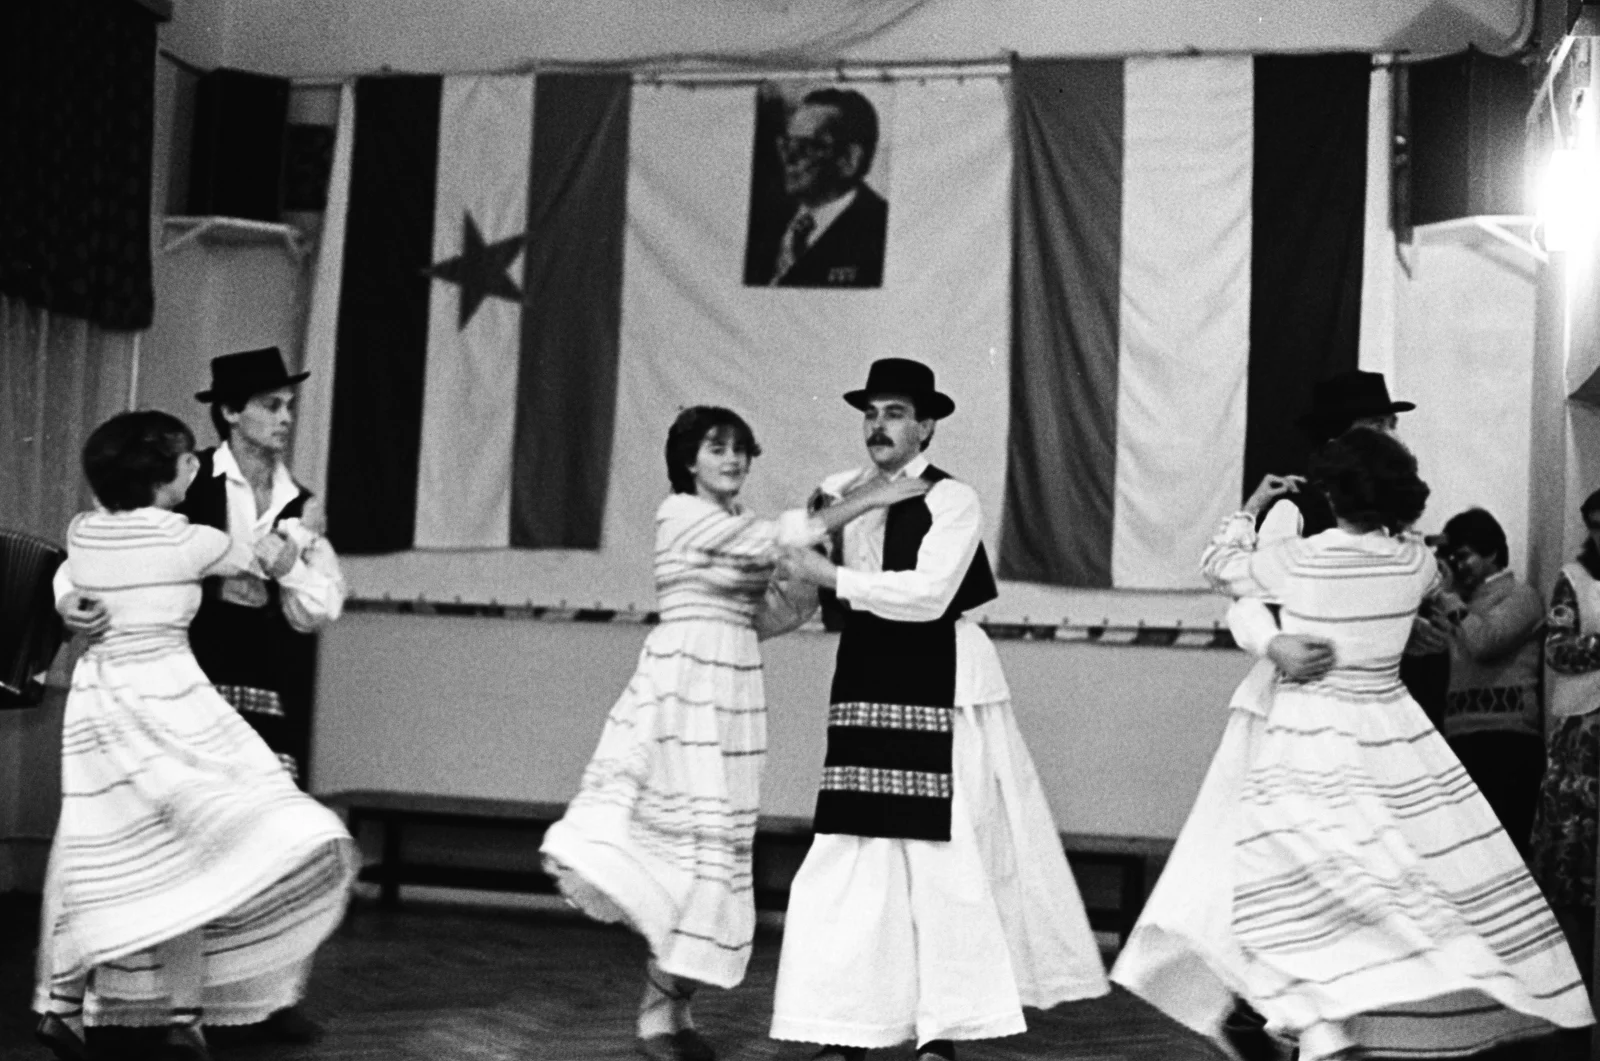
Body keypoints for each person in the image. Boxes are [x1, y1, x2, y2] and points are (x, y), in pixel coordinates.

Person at [1139, 428, 1590, 1060]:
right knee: (1393, 878)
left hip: (1312, 730)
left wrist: (1253, 508)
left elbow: (1219, 566)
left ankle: (1312, 1022)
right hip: (1391, 731)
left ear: (1331, 493)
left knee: (1297, 880)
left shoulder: (1302, 558)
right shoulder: (1416, 564)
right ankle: (1339, 1021)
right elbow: (1419, 580)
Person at [539, 405, 928, 1061]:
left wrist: (808, 576)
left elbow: (770, 610)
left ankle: (672, 1011)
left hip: (733, 696)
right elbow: (778, 537)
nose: (732, 459)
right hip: (678, 696)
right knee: (678, 852)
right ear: (689, 461)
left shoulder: (744, 527)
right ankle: (656, 1018)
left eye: (740, 448)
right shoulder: (680, 514)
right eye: (717, 448)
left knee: (714, 861)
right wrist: (870, 498)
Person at [769, 358, 1109, 1061]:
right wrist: (840, 520)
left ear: (926, 426)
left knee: (945, 860)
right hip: (865, 678)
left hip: (942, 682)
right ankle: (849, 1027)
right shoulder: (838, 490)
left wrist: (833, 573)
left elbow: (928, 595)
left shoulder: (952, 499)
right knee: (853, 853)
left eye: (895, 413)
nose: (879, 426)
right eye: (871, 413)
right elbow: (790, 552)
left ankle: (943, 1031)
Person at [32, 411, 356, 1061]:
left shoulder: (83, 531)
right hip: (168, 697)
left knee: (95, 847)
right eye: (186, 461)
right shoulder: (192, 540)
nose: (194, 468)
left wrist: (68, 603)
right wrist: (299, 531)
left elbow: (70, 576)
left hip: (100, 703)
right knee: (190, 851)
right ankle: (184, 1016)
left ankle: (64, 1004)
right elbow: (265, 556)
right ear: (164, 475)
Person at [59, 346, 344, 788]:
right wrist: (65, 599)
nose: (286, 418)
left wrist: (292, 568)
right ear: (230, 411)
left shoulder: (302, 503)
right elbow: (103, 542)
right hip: (184, 682)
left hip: (269, 679)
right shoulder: (178, 479)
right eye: (272, 406)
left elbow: (323, 606)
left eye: (289, 406)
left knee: (264, 807)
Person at [1431, 507, 1546, 859]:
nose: (1458, 565)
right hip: (1460, 736)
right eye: (1451, 558)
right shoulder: (1459, 603)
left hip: (1507, 739)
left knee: (1506, 851)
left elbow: (1485, 643)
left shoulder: (1521, 596)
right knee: (1469, 854)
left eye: (1464, 555)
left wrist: (1451, 601)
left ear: (1492, 552)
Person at [1532, 487, 1600, 985]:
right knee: (1573, 857)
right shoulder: (1573, 578)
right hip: (1582, 732)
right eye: (1595, 526)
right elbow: (1557, 651)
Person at [749, 87, 888, 288]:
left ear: (849, 159)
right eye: (786, 143)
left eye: (805, 146)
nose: (789, 159)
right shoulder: (766, 221)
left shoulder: (878, 232)